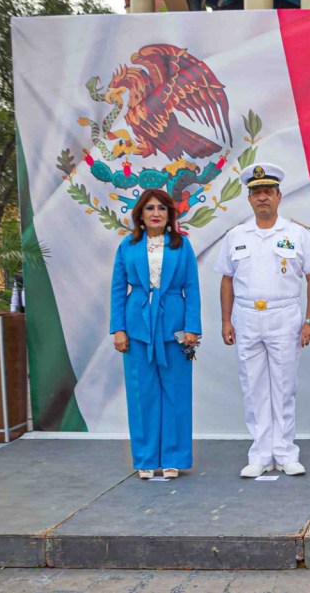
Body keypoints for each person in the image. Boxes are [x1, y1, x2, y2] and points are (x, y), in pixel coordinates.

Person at [215, 163, 310, 478]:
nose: (262, 198)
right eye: (256, 193)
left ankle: (286, 452)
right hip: (247, 317)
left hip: (284, 316)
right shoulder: (236, 235)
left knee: (284, 386)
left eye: (268, 192)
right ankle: (261, 453)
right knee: (254, 388)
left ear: (279, 196)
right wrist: (226, 321)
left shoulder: (296, 233)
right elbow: (226, 280)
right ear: (249, 199)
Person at [109, 189, 201, 480]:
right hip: (137, 328)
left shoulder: (182, 245)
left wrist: (192, 328)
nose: (156, 213)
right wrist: (119, 329)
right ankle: (146, 459)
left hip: (174, 328)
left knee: (176, 393)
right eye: (150, 208)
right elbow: (117, 289)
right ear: (140, 214)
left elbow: (192, 288)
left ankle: (173, 457)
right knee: (142, 395)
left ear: (170, 214)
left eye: (162, 208)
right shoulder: (127, 246)